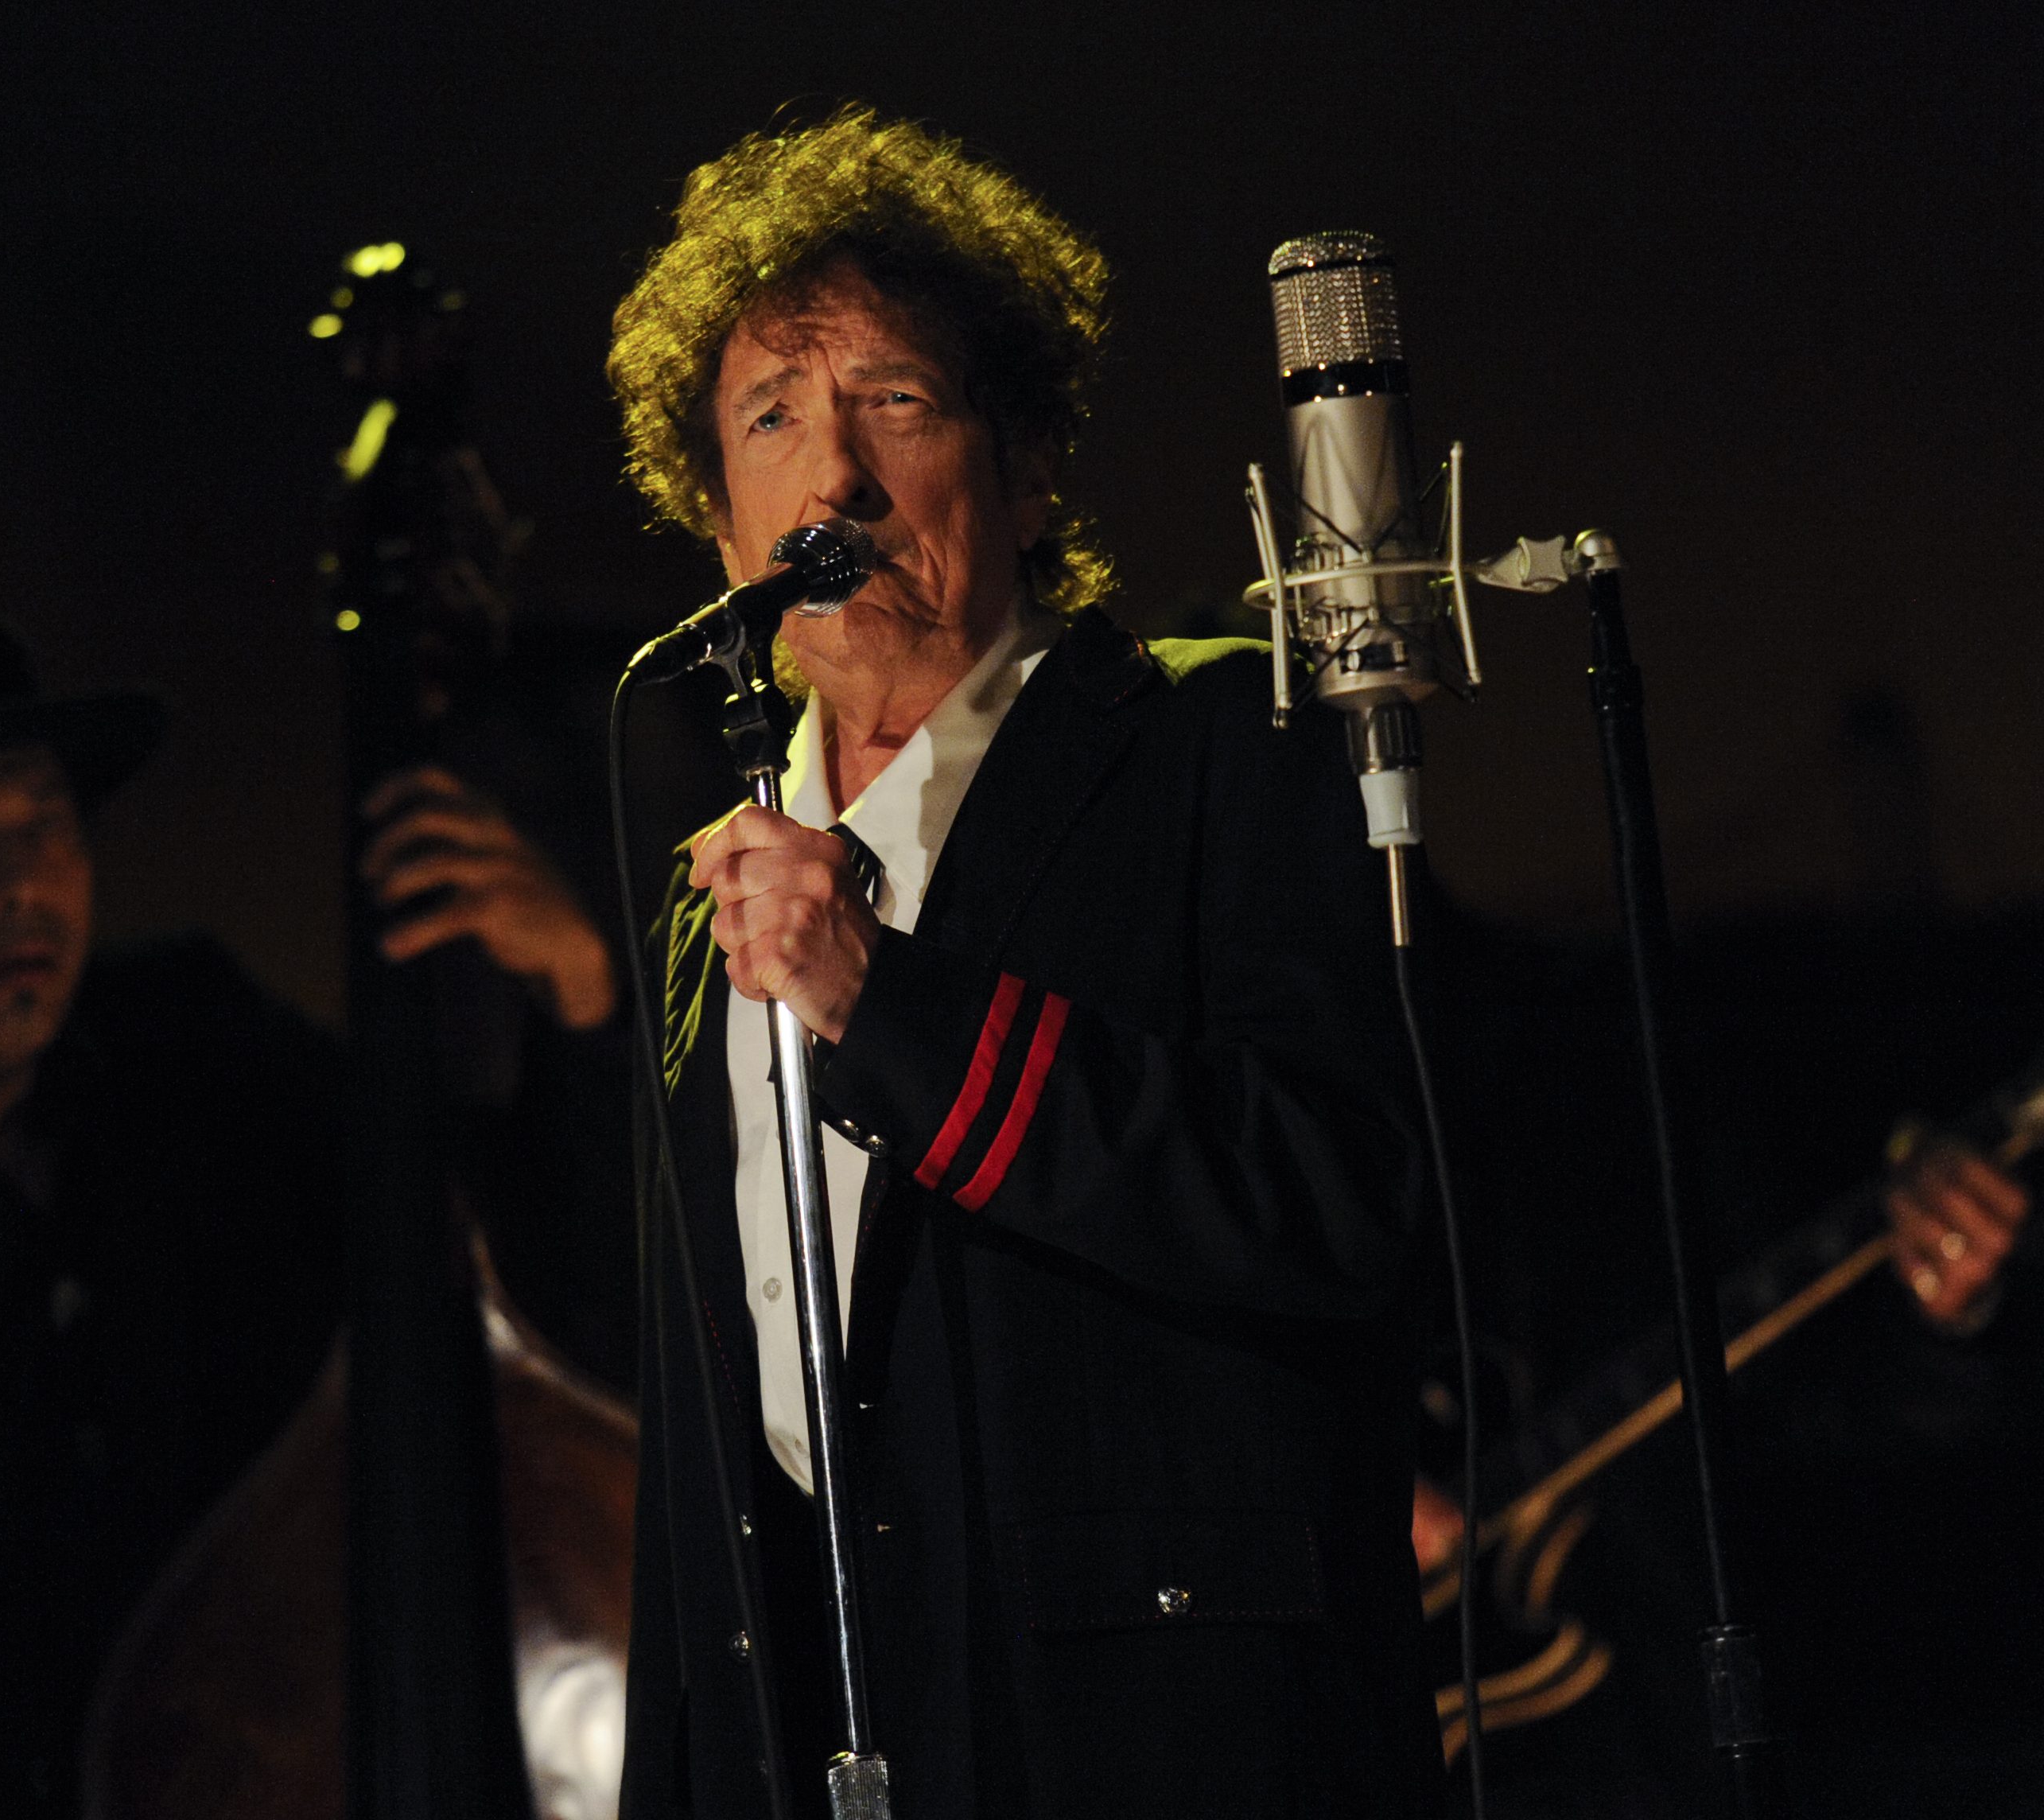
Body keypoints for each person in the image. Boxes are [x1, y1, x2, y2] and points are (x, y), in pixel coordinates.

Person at [604, 109, 1443, 1817]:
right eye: (771, 418)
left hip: (1159, 1740)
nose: (830, 476)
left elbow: (1336, 1194)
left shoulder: (1212, 741)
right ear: (717, 524)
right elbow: (699, 1467)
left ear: (1029, 460)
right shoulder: (720, 892)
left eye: (892, 401)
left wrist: (879, 1001)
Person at [0, 620, 616, 1817]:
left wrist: (576, 994)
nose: (19, 885)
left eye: (45, 824)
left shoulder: (197, 1049)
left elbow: (496, 1270)